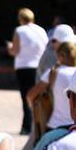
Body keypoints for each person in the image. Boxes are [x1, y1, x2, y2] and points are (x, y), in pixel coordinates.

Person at [9, 8, 49, 136]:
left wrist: (9, 48)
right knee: (37, 98)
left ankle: (26, 126)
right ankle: (38, 125)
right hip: (38, 67)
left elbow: (15, 50)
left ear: (21, 18)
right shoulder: (41, 30)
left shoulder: (19, 30)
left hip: (23, 67)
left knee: (26, 97)